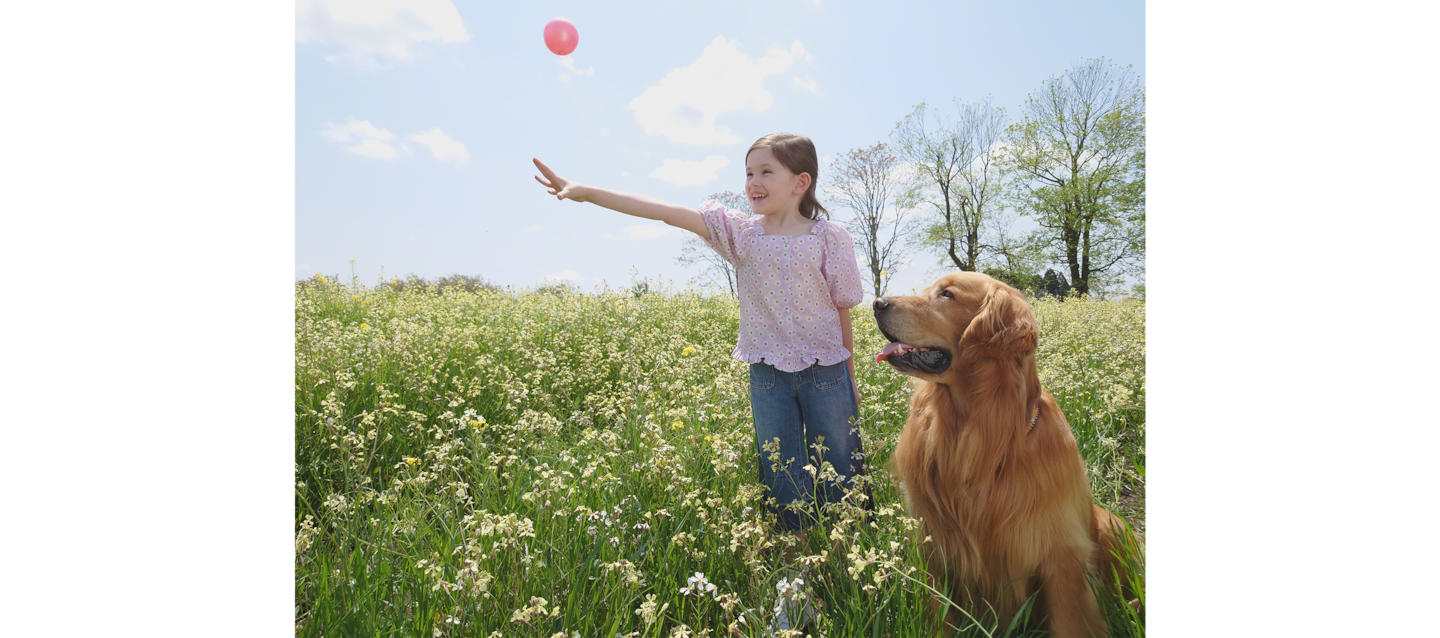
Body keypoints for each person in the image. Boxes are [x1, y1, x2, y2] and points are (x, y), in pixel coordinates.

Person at [533, 133, 870, 632]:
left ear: (802, 182)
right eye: (749, 173)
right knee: (781, 479)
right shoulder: (741, 234)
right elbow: (667, 211)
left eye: (765, 172)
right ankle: (795, 590)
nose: (753, 182)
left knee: (842, 473)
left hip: (826, 371)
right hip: (768, 375)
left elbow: (842, 305)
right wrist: (586, 191)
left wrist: (849, 375)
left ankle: (851, 575)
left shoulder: (829, 238)